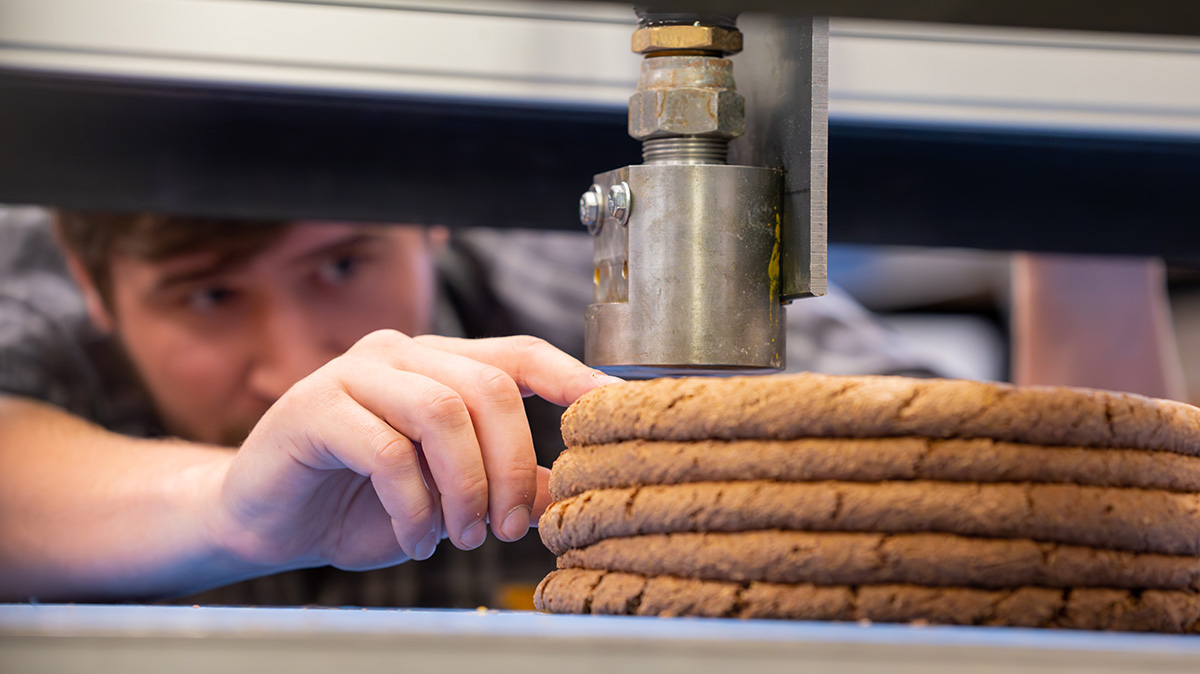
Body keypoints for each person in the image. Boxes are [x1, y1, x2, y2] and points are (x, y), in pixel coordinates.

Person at [0, 205, 962, 605]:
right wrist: (232, 510)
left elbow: (946, 445)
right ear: (87, 276)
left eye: (342, 264)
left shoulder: (586, 297)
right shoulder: (37, 296)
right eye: (210, 297)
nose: (301, 364)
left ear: (428, 215)